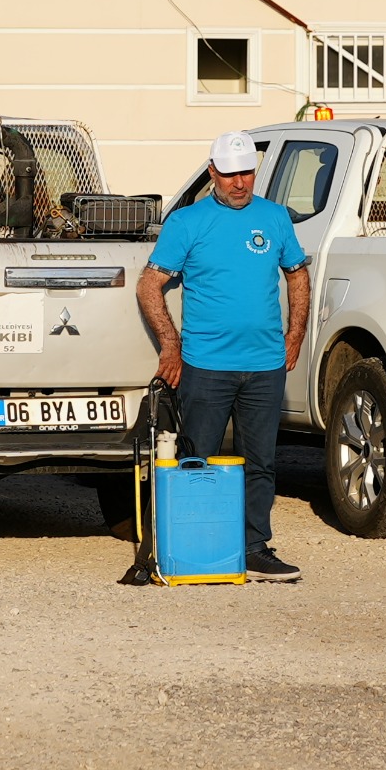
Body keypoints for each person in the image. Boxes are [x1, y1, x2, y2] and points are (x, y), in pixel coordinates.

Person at [137, 130, 311, 582]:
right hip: (207, 365)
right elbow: (149, 284)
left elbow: (297, 274)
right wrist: (171, 346)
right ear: (212, 171)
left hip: (265, 365)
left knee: (262, 463)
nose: (239, 183)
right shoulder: (187, 222)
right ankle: (193, 547)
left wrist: (295, 335)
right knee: (198, 460)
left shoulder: (274, 218)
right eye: (230, 173)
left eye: (247, 173)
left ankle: (255, 548)